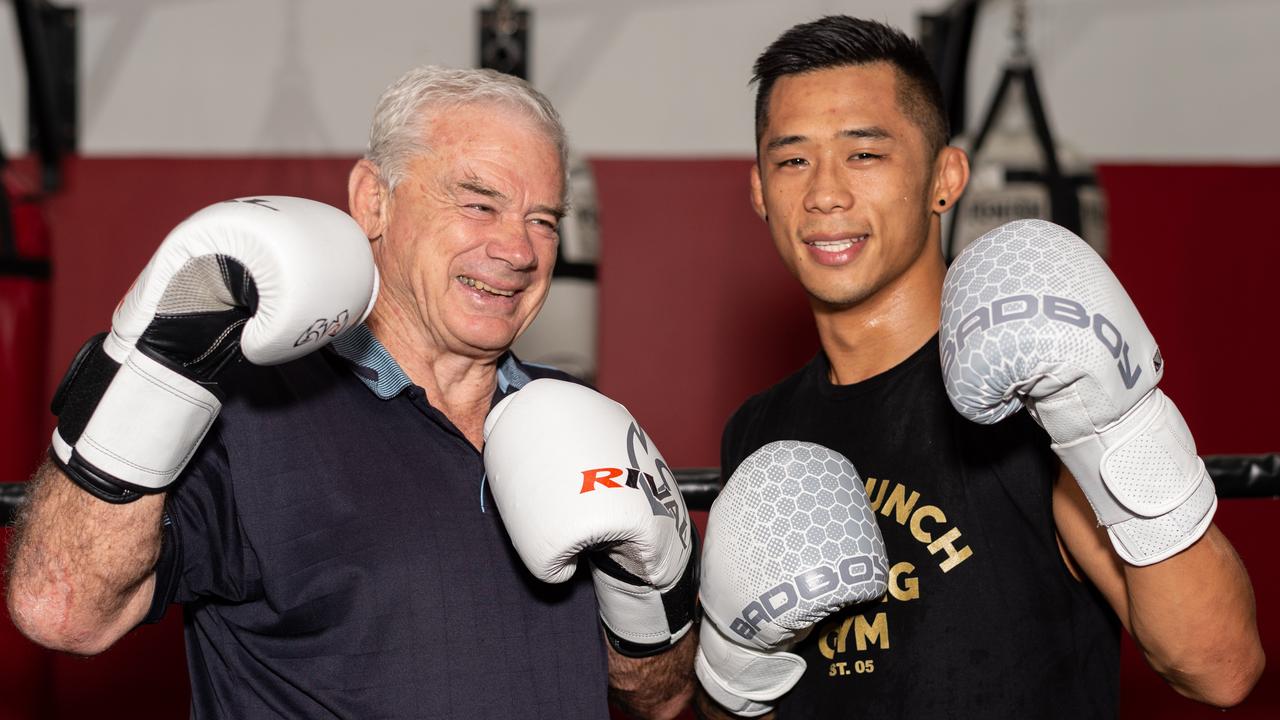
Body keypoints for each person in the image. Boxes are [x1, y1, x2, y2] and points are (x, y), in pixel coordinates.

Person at [6, 66, 696, 719]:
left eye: (543, 219)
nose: (518, 250)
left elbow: (658, 699)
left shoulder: (579, 422)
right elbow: (60, 608)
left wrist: (648, 592)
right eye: (479, 203)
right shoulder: (251, 415)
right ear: (374, 202)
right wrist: (152, 371)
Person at [693, 16, 1264, 719]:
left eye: (865, 155)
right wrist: (733, 666)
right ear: (759, 191)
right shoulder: (759, 431)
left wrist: (1121, 423)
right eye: (792, 161)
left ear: (945, 178)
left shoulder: (1032, 398)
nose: (825, 196)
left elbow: (1221, 668)